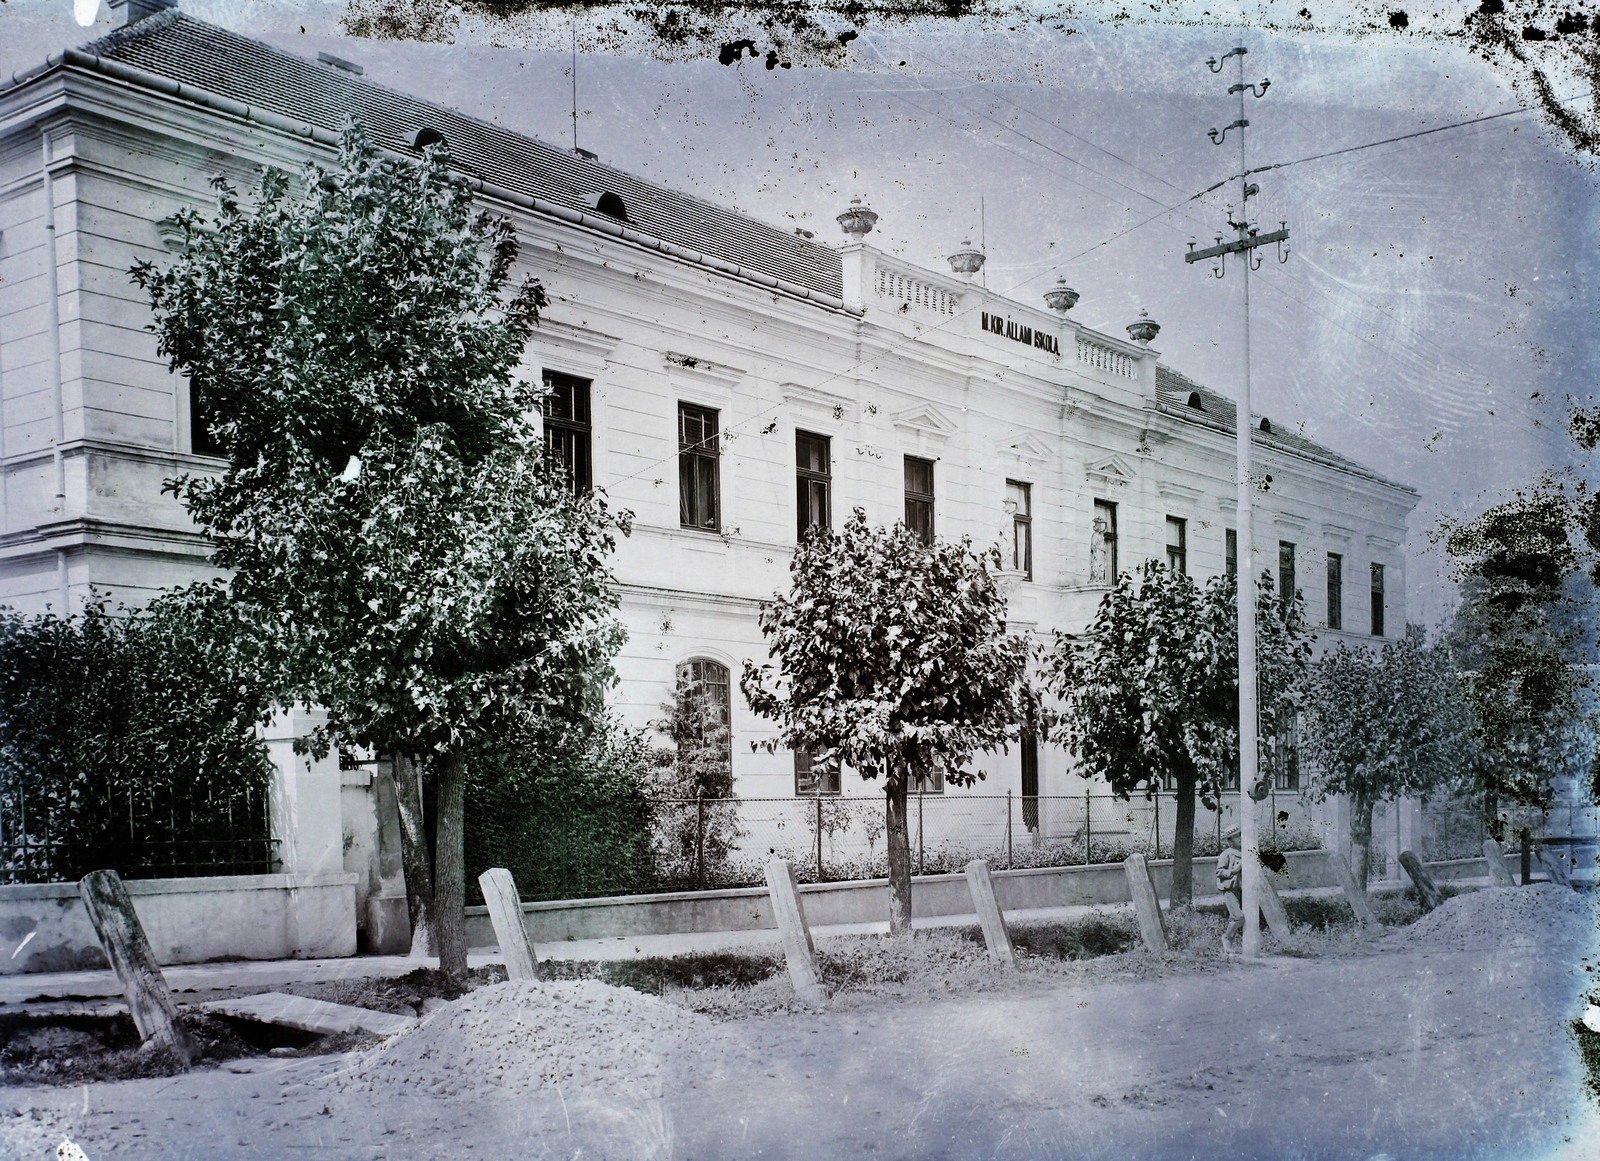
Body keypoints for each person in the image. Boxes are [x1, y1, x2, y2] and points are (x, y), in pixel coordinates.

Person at [1216, 826, 1244, 954]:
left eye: (1241, 835)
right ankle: (1226, 938)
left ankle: (1230, 947)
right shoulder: (1226, 854)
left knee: (1242, 918)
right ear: (1230, 840)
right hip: (1230, 889)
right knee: (1238, 917)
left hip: (1242, 889)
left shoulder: (1245, 852)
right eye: (1237, 836)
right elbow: (1219, 872)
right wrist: (1234, 871)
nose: (1240, 838)